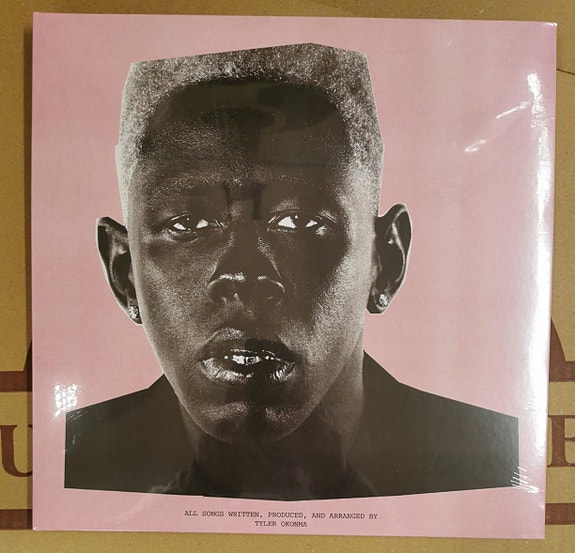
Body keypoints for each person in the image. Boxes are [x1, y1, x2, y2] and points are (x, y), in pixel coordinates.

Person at [65, 43, 518, 499]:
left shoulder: (498, 475)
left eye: (299, 222)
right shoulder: (65, 468)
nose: (243, 275)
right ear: (124, 271)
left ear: (385, 261)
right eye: (188, 224)